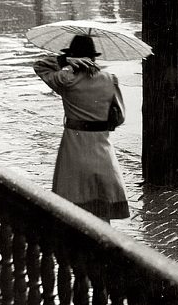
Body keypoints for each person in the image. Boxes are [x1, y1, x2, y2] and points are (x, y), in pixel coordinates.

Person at [34, 34, 130, 220]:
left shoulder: (64, 81)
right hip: (102, 150)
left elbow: (39, 65)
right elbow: (119, 117)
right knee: (102, 212)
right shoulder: (110, 79)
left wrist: (65, 61)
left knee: (72, 213)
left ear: (74, 57)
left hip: (73, 150)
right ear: (93, 57)